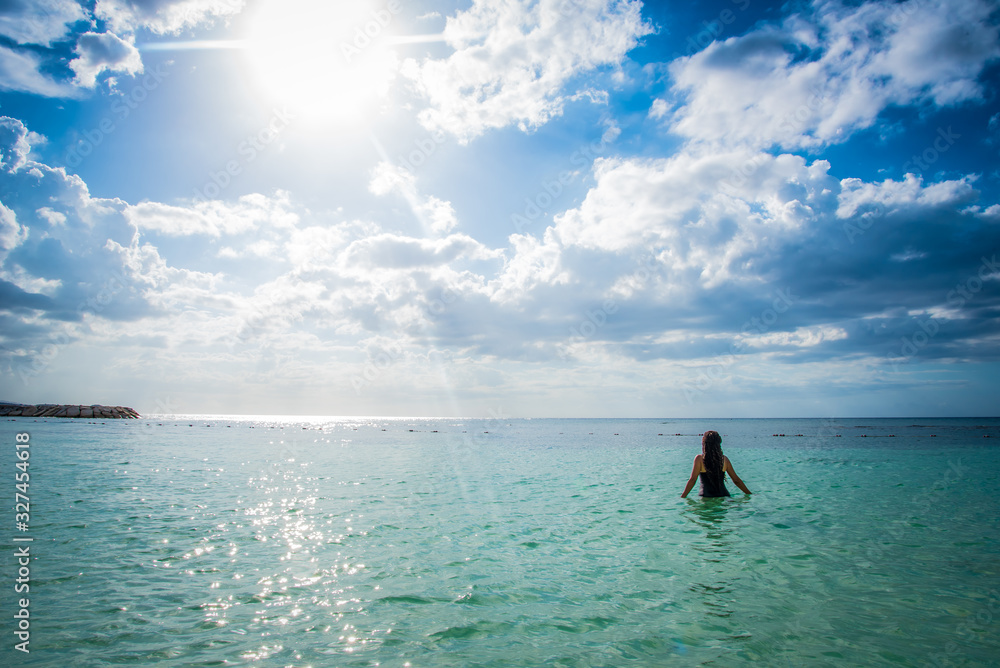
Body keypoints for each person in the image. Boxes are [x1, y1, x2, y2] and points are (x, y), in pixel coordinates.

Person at [681, 430, 751, 498]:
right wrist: (749, 494)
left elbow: (693, 480)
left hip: (706, 497)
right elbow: (736, 480)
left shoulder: (699, 459)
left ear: (704, 442)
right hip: (723, 496)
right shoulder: (724, 459)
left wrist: (683, 496)